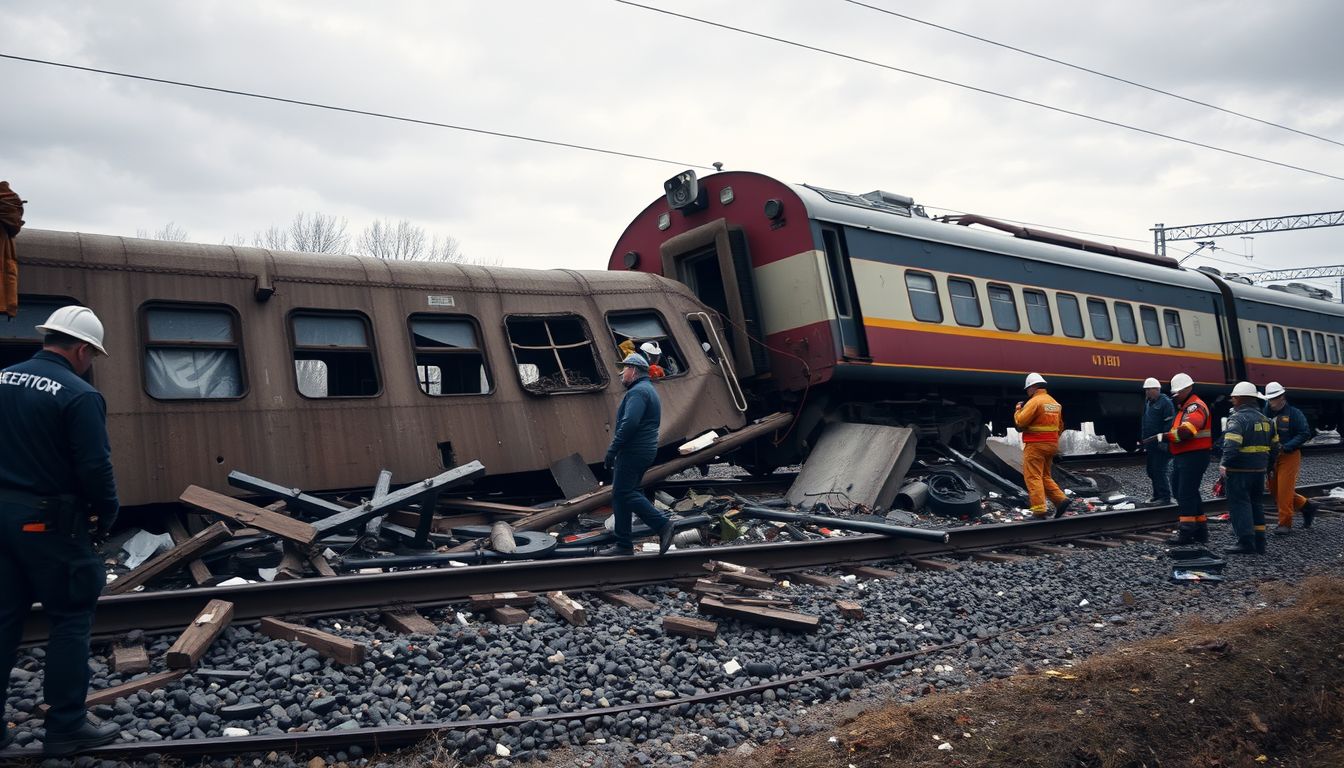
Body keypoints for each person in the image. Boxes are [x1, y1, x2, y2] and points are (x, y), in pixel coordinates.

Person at [0, 306, 120, 755]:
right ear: (82, 349)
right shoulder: (78, 393)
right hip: (48, 522)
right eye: (93, 355)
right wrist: (106, 515)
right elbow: (94, 466)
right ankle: (66, 725)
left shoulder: (3, 377)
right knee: (70, 618)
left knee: (3, 620)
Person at [596, 353, 677, 556]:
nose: (621, 374)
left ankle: (663, 525)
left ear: (633, 370)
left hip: (633, 451)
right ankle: (624, 544)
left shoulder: (638, 392)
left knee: (625, 493)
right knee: (623, 494)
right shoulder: (646, 390)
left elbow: (629, 423)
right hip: (642, 450)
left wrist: (612, 449)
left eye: (624, 369)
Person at [1219, 382, 1278, 555]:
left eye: (1234, 398)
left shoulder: (1237, 419)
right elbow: (1275, 447)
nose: (1232, 400)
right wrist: (1268, 466)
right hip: (1259, 471)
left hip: (1239, 471)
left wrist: (1224, 463)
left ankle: (1245, 541)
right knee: (1256, 503)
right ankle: (1260, 541)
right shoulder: (1267, 420)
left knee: (1240, 504)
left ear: (1239, 399)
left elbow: (1232, 445)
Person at [1157, 372, 1213, 545]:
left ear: (1188, 389)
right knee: (1187, 491)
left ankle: (1187, 532)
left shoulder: (1194, 407)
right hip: (1187, 455)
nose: (1175, 396)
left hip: (1193, 456)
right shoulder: (1185, 407)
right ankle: (1201, 530)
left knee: (1185, 493)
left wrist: (1166, 437)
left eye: (1178, 392)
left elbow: (1187, 431)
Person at [1262, 381, 1319, 534]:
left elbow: (1304, 433)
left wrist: (1287, 446)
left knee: (1284, 491)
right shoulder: (1265, 412)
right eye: (1269, 399)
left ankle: (1285, 524)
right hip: (1272, 456)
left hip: (1289, 455)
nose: (1271, 402)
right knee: (1275, 491)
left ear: (1282, 397)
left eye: (1274, 398)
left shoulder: (1294, 414)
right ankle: (1307, 506)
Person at [1013, 373, 1072, 519]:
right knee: (1044, 475)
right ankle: (1061, 500)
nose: (1027, 392)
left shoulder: (1035, 402)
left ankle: (1039, 510)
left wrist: (1018, 410)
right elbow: (1060, 426)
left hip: (1036, 445)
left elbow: (1021, 422)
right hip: (1051, 445)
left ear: (1033, 387)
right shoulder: (1054, 403)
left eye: (1028, 389)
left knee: (1033, 476)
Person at [1140, 377, 1175, 505]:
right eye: (1146, 390)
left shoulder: (1165, 402)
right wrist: (1143, 439)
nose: (1147, 392)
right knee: (1151, 470)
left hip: (1161, 444)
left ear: (1157, 389)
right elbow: (1145, 421)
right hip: (1150, 444)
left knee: (1159, 470)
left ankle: (1165, 497)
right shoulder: (1148, 402)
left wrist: (1164, 442)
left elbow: (1169, 424)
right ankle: (1156, 495)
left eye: (1149, 389)